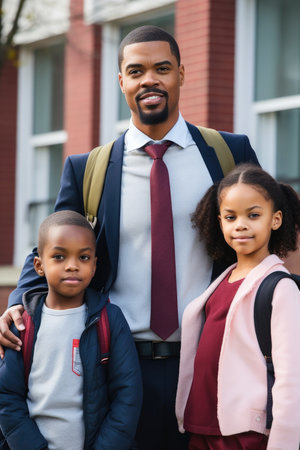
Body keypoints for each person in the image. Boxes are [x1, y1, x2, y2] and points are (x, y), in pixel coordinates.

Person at [0, 26, 259, 450]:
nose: (149, 80)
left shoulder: (228, 153)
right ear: (122, 81)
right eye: (136, 71)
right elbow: (51, 249)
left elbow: (262, 241)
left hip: (211, 360)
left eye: (162, 68)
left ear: (181, 74)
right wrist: (15, 308)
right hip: (117, 368)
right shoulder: (87, 169)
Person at [176, 163, 300, 450]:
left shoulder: (280, 288)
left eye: (253, 215)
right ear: (220, 222)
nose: (241, 224)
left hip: (246, 435)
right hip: (202, 426)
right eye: (231, 217)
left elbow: (291, 382)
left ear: (276, 219)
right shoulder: (219, 283)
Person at [0, 210, 142, 450]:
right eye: (59, 257)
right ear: (39, 265)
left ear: (95, 266)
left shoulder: (111, 319)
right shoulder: (23, 325)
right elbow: (6, 397)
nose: (73, 266)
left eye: (84, 258)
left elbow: (127, 395)